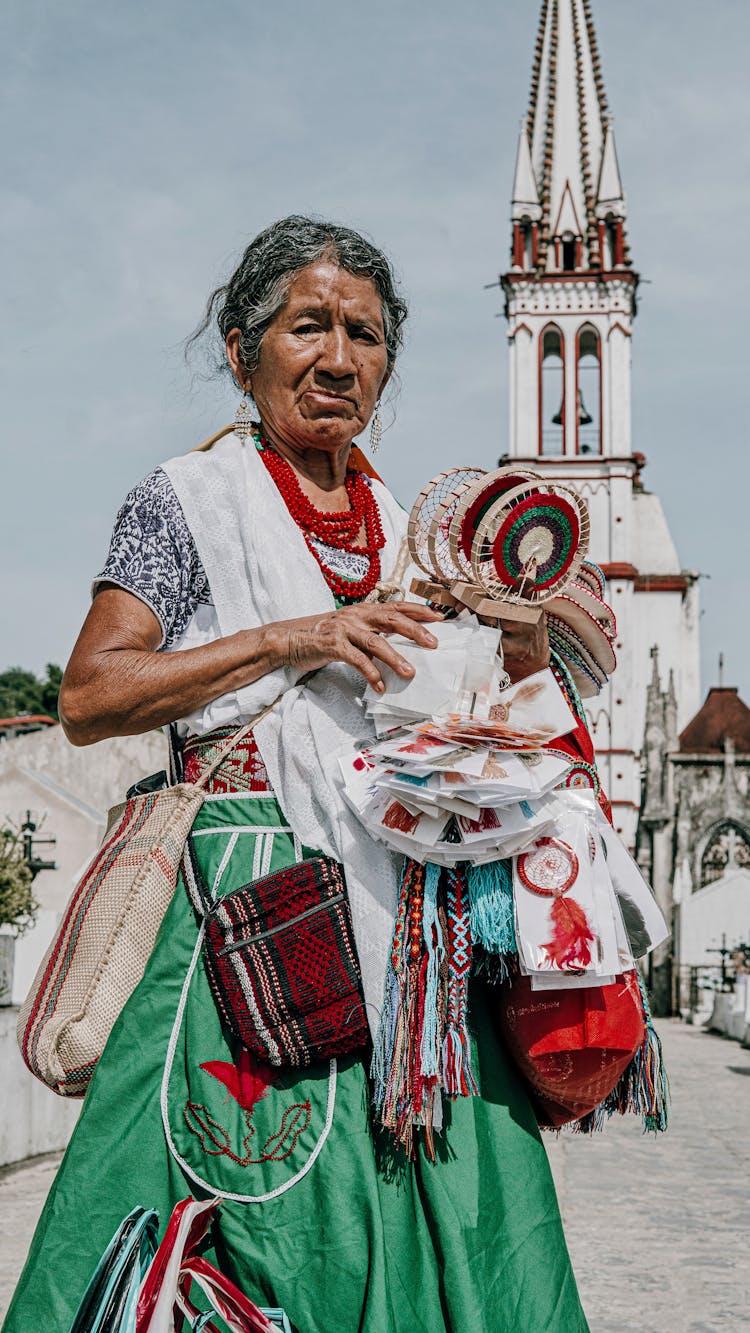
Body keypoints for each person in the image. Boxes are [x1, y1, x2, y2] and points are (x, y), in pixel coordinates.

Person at [4, 215, 588, 1332]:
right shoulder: (188, 502)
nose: (337, 357)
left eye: (364, 334)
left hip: (414, 939)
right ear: (241, 350)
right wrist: (291, 637)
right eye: (306, 325)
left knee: (465, 1213)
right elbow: (89, 695)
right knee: (248, 1210)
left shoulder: (424, 535)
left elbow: (472, 729)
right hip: (249, 920)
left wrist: (514, 652)